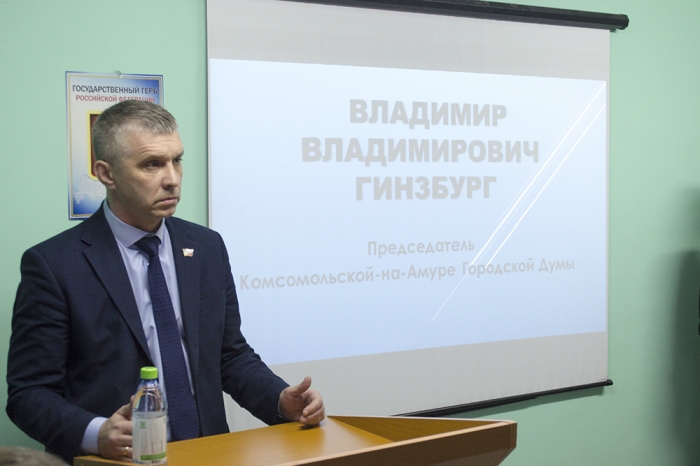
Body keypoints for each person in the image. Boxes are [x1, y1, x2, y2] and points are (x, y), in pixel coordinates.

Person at [6, 100, 325, 463]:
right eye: (152, 164)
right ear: (106, 174)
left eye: (177, 160)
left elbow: (229, 355)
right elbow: (29, 393)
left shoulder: (206, 247)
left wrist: (280, 400)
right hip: (115, 461)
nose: (172, 178)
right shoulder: (54, 265)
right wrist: (97, 433)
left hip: (208, 454)